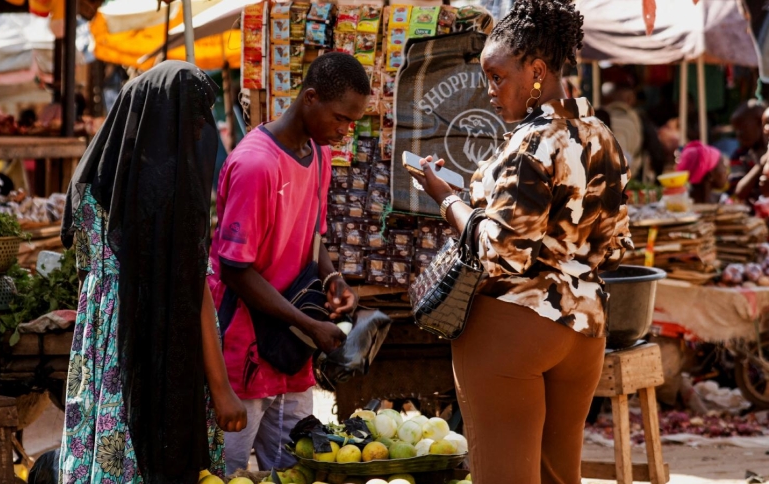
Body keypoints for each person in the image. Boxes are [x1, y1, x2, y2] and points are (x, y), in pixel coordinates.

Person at [409, 0, 631, 481]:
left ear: (535, 70)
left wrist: (447, 198)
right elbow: (613, 246)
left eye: (497, 76)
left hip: (513, 327)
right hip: (584, 331)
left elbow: (501, 252)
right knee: (558, 475)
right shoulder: (602, 136)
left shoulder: (529, 143)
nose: (489, 90)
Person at [59, 61, 246, 483]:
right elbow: (190, 287)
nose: (199, 133)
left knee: (108, 452)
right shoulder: (165, 189)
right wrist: (221, 387)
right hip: (154, 336)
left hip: (102, 343)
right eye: (193, 120)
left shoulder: (91, 175)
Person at [209, 52, 369, 472]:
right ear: (310, 98)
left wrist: (332, 277)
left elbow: (313, 235)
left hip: (291, 357)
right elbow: (234, 269)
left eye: (352, 122)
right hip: (243, 355)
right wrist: (310, 323)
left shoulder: (319, 157)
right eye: (341, 119)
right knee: (225, 474)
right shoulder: (256, 165)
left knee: (300, 472)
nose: (345, 130)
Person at [677, 123, 729, 204]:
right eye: (723, 165)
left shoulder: (678, 203)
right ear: (710, 175)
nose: (726, 171)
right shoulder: (724, 204)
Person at [729, 100, 768, 204]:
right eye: (736, 129)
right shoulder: (739, 156)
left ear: (760, 123)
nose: (739, 134)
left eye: (743, 127)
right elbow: (738, 193)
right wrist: (760, 165)